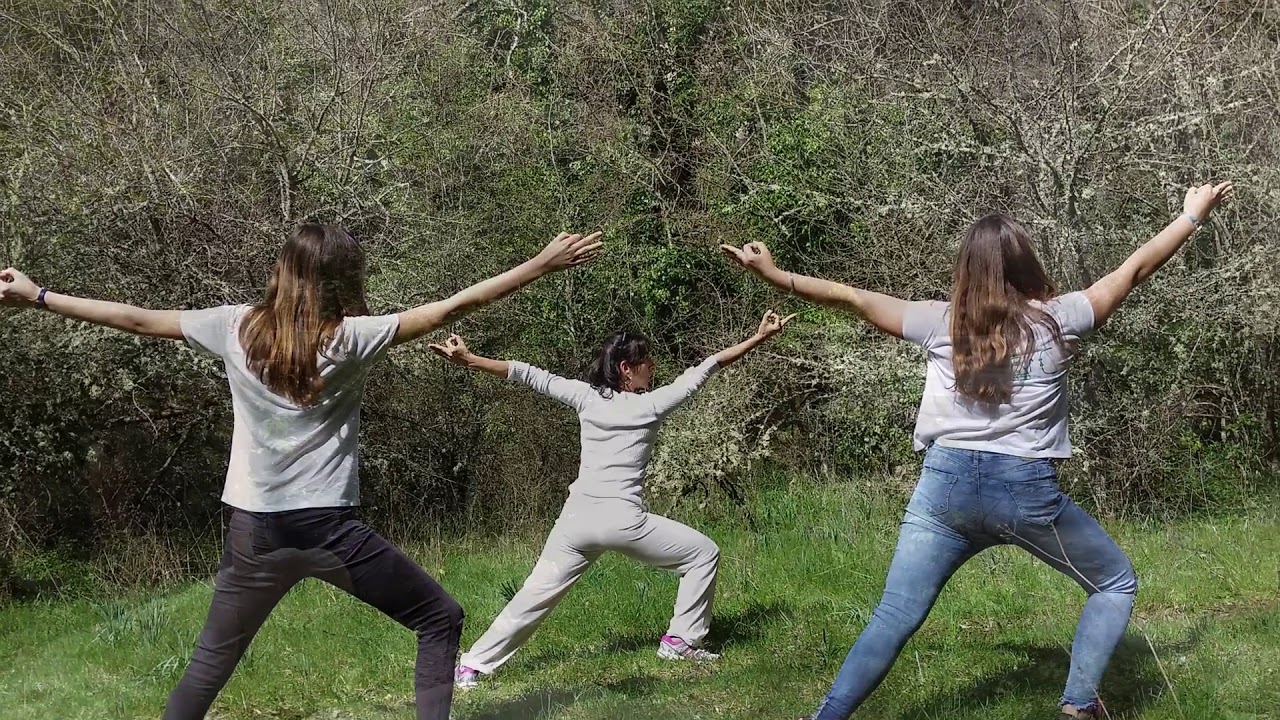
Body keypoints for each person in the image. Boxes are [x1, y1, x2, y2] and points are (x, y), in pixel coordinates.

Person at [0, 225, 603, 720]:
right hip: (328, 532)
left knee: (210, 665)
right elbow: (458, 305)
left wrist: (40, 296)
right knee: (439, 618)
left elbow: (133, 318)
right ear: (343, 280)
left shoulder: (234, 327)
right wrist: (538, 264)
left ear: (283, 273)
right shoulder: (353, 340)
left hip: (254, 533)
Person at [721, 182, 1234, 719]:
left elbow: (850, 296)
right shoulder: (1063, 318)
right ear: (1026, 264)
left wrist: (775, 275)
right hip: (1026, 495)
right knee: (1114, 581)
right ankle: (1079, 706)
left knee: (895, 613)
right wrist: (1190, 216)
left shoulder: (938, 322)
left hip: (944, 493)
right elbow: (1133, 270)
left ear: (967, 269)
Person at [432, 309, 796, 688]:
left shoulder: (584, 398)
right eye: (647, 362)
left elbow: (525, 373)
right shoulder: (651, 405)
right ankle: (680, 640)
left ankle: (472, 665)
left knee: (535, 594)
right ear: (627, 368)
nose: (652, 368)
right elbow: (709, 366)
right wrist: (760, 338)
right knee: (703, 553)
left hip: (575, 522)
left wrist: (469, 359)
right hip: (623, 522)